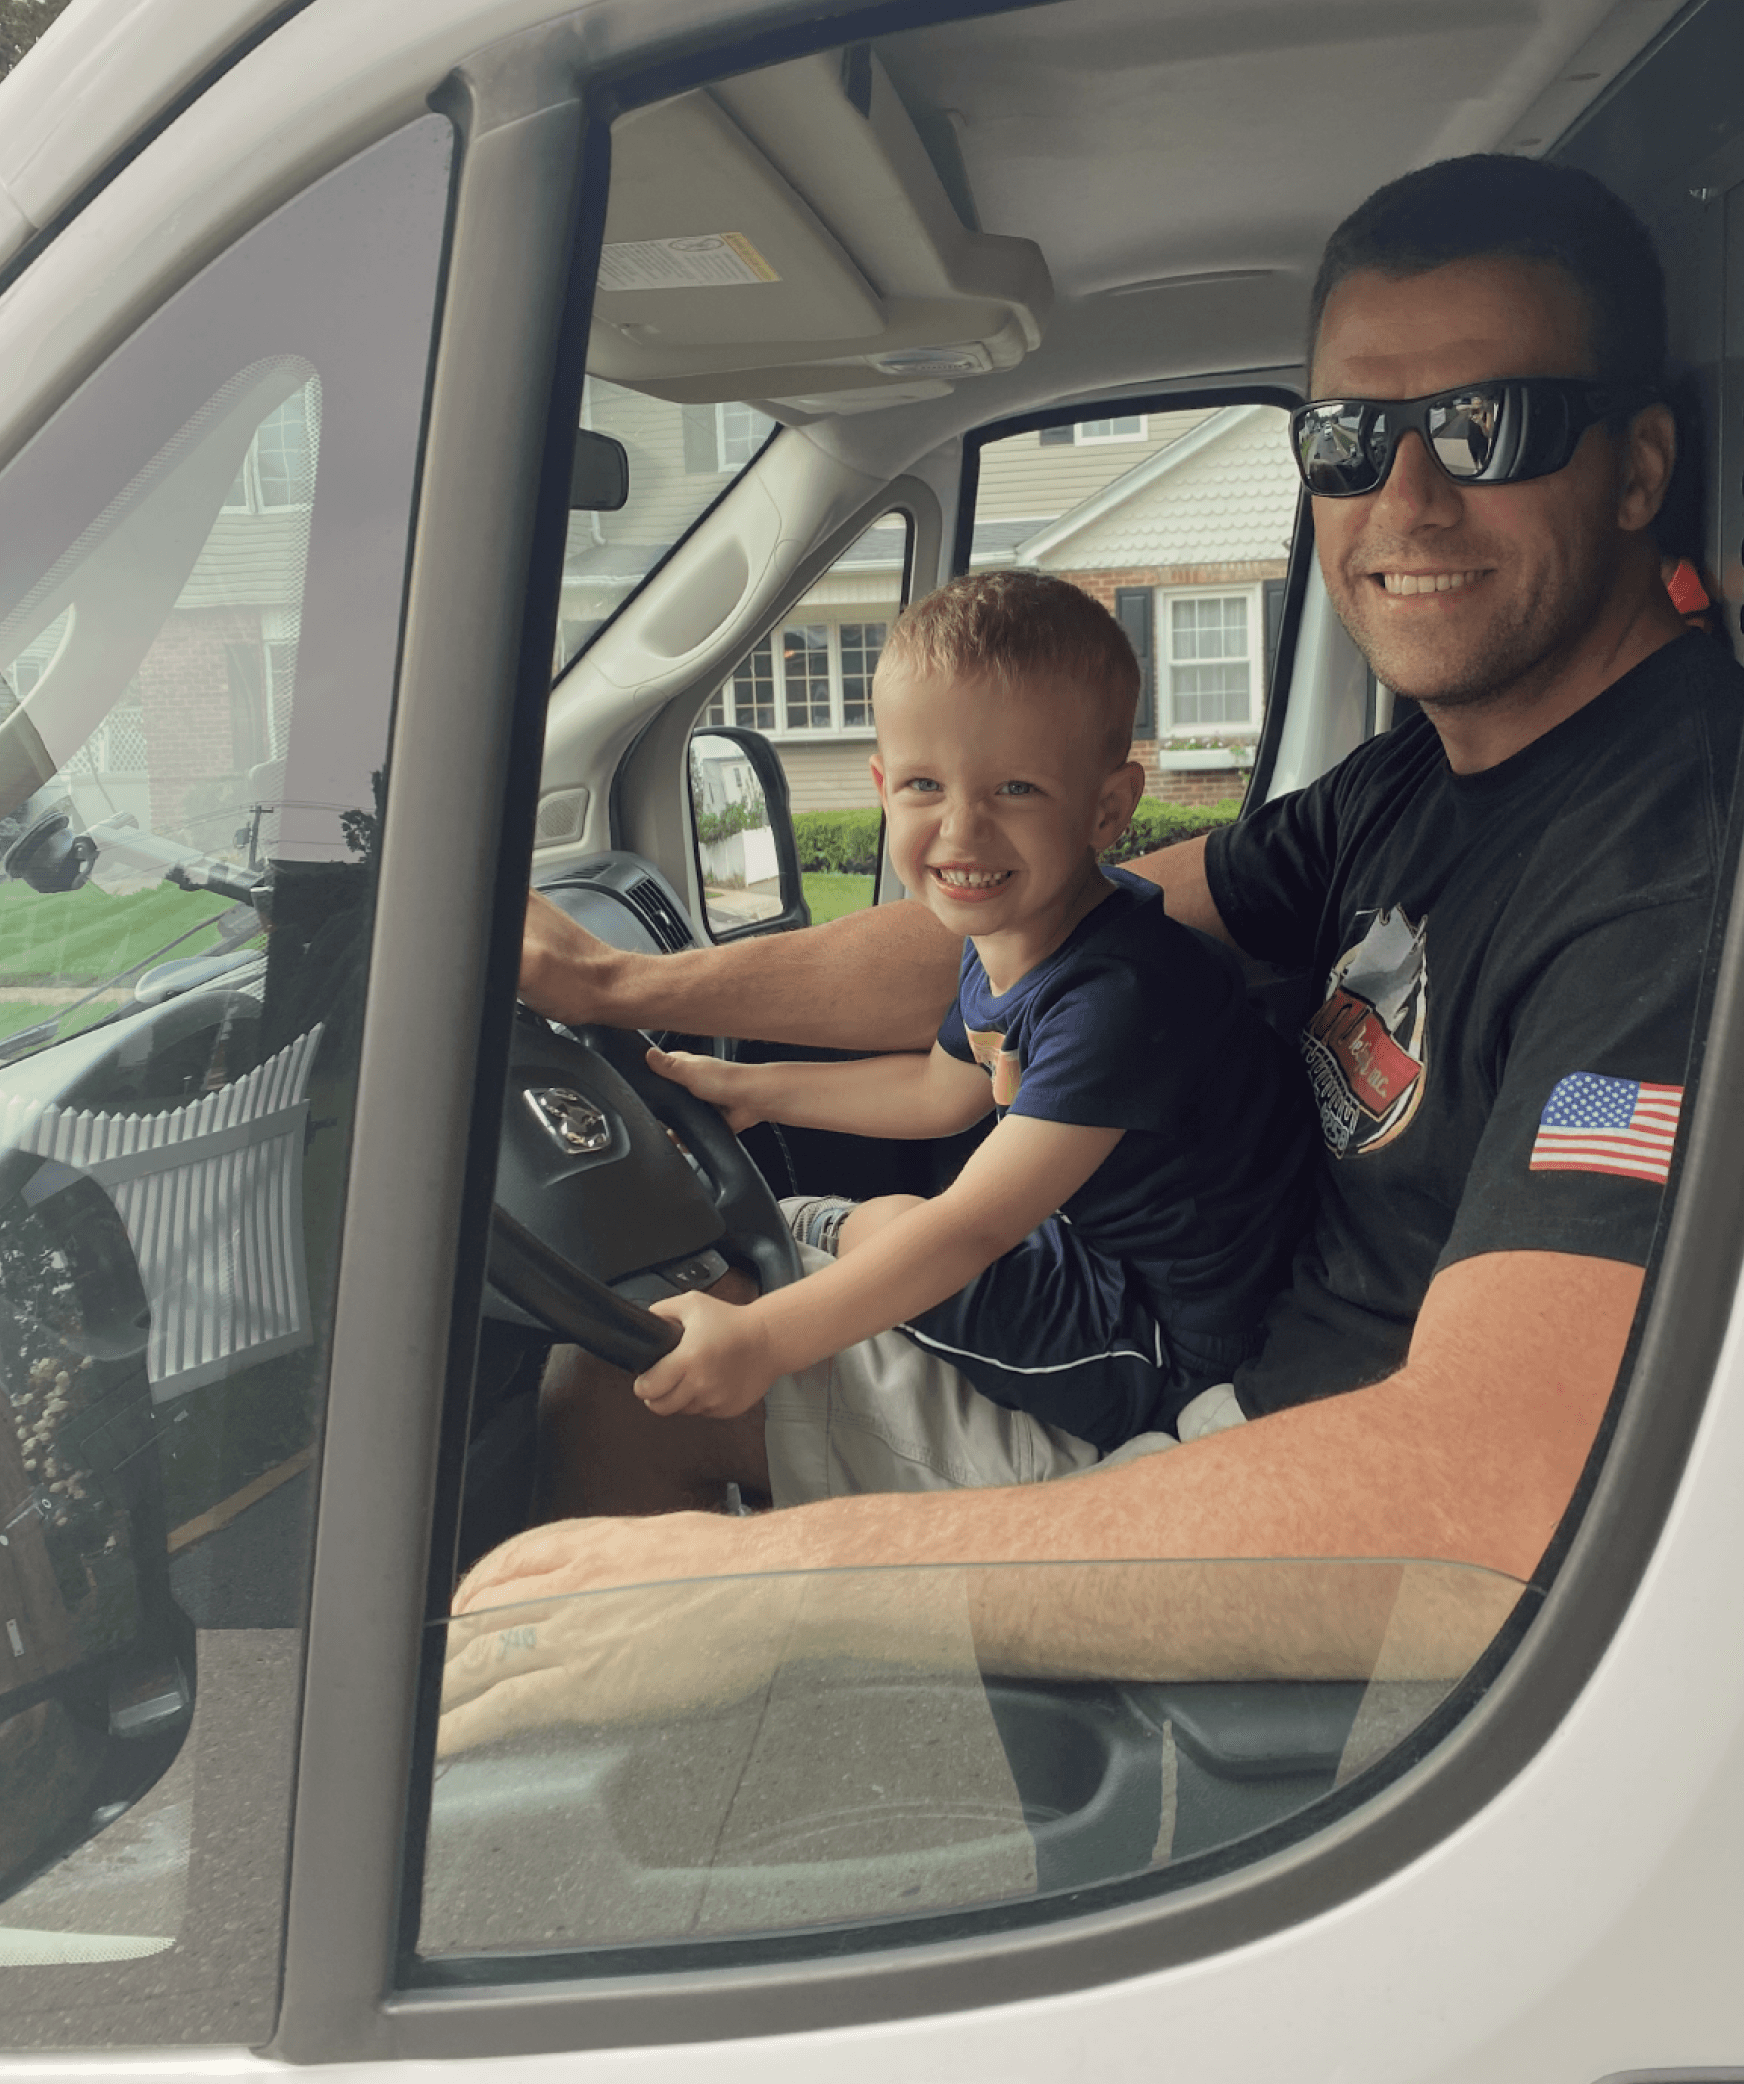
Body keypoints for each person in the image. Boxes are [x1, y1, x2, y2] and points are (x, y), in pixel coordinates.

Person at [450, 153, 1743, 1691]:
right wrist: (618, 982)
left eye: (1488, 426)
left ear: (1640, 469)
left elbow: (1507, 1510)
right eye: (1346, 438)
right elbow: (1021, 931)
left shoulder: (1679, 871)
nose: (1404, 497)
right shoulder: (1422, 778)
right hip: (1232, 1391)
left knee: (623, 1396)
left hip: (1305, 1520)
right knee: (672, 1336)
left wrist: (758, 1588)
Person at [638, 570, 1315, 1471]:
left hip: (1166, 1345)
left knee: (901, 1236)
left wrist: (760, 1341)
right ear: (883, 787)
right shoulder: (1015, 931)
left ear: (1107, 808)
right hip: (1100, 1256)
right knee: (880, 1221)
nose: (962, 832)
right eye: (924, 784)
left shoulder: (1121, 998)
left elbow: (971, 1230)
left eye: (1017, 790)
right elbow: (938, 1089)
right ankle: (824, 1241)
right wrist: (750, 1090)